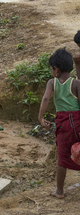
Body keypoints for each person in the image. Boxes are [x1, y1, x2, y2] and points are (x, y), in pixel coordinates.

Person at [38, 48, 80, 199]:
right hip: (77, 121)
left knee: (62, 158)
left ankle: (59, 191)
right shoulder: (76, 83)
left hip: (63, 125)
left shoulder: (52, 82)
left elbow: (45, 99)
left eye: (51, 68)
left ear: (56, 69)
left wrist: (41, 117)